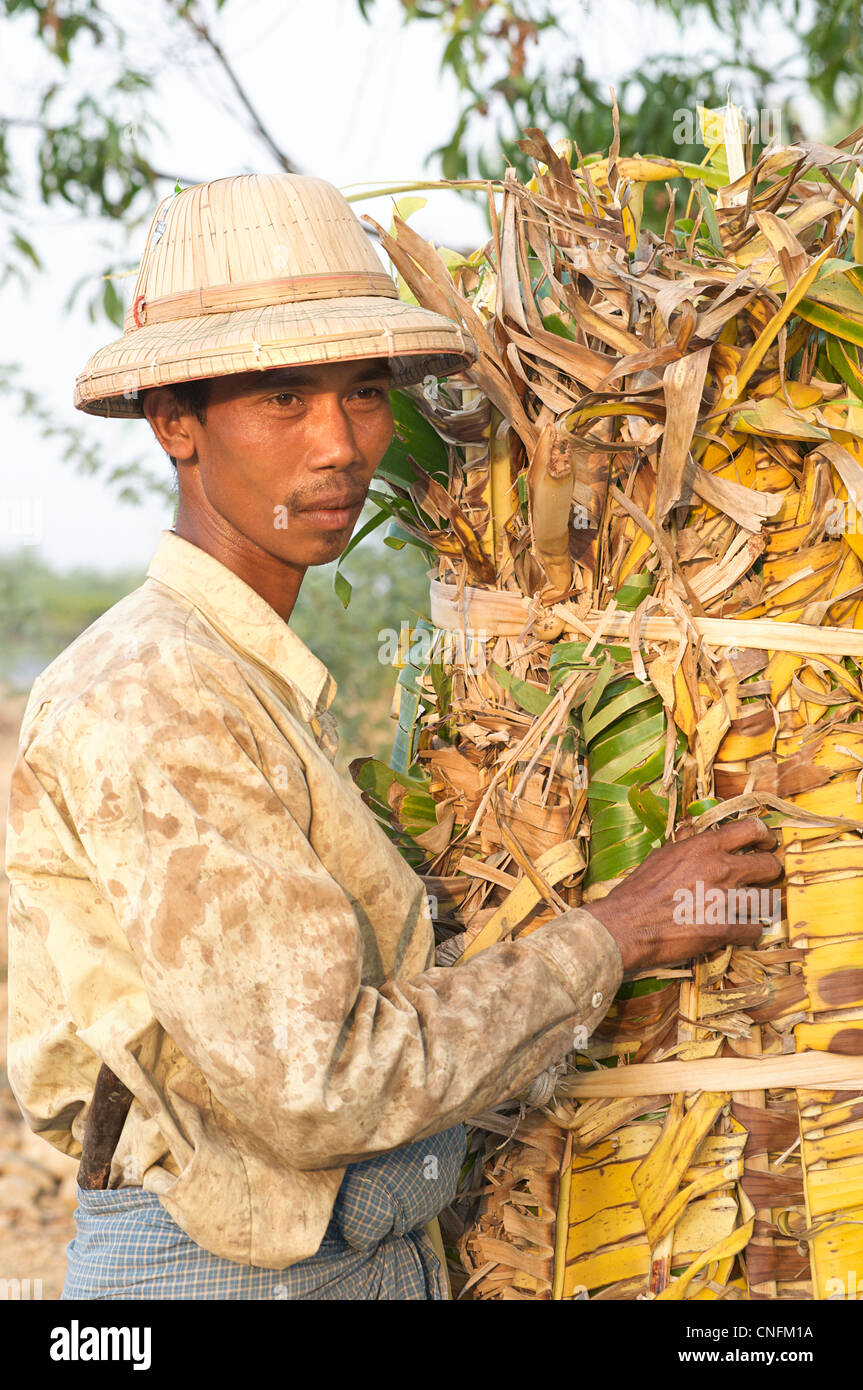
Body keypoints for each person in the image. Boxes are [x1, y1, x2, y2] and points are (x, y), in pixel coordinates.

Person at [4, 172, 781, 1301]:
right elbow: (322, 1083)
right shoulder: (155, 694)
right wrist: (613, 934)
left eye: (363, 394)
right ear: (175, 421)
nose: (339, 444)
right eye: (283, 399)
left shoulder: (244, 673)